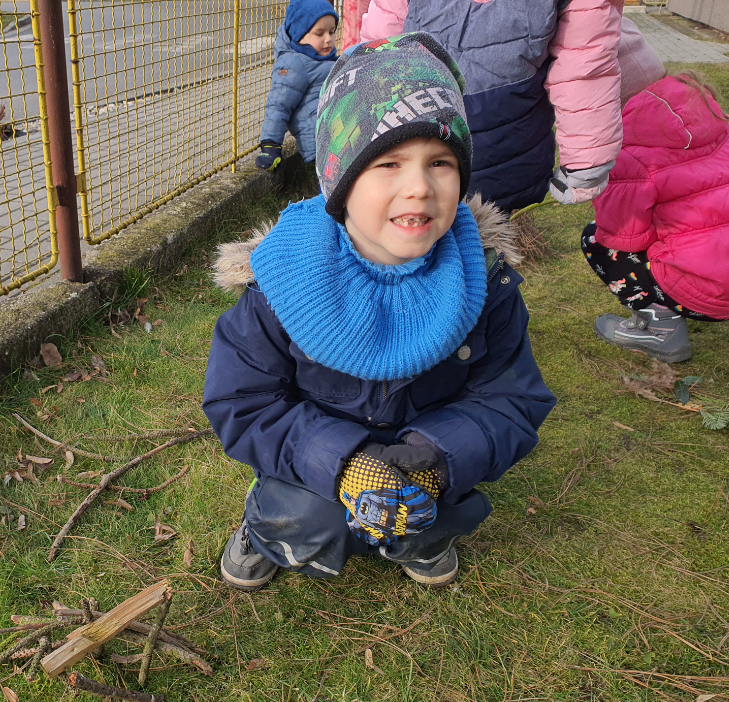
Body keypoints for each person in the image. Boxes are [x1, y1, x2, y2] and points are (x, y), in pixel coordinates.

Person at [204, 34, 556, 591]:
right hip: (317, 468)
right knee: (307, 521)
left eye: (440, 162)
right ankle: (267, 525)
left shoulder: (483, 281)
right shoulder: (281, 282)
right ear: (339, 183)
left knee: (427, 514)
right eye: (388, 163)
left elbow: (512, 398)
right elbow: (242, 402)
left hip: (425, 463)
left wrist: (440, 456)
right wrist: (342, 461)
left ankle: (421, 533)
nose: (418, 187)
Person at [583, 21, 729, 363]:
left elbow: (623, 236)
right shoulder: (708, 112)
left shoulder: (630, 153)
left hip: (712, 294)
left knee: (596, 241)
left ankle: (661, 327)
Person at [359, 0, 624, 212]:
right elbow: (381, 47)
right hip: (420, 142)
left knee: (483, 259)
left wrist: (585, 160)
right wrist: (360, 128)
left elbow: (584, 62)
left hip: (506, 152)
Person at [255, 0, 338, 171]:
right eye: (319, 33)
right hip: (321, 143)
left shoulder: (325, 60)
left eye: (332, 31)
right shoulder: (294, 64)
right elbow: (278, 106)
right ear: (299, 35)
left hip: (337, 136)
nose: (328, 39)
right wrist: (270, 146)